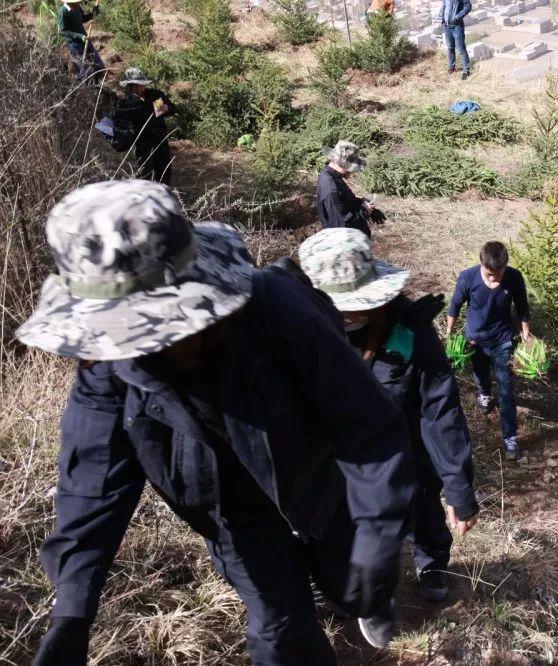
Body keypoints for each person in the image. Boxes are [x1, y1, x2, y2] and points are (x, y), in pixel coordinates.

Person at [16, 180, 415, 665]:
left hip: (319, 486)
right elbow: (93, 477)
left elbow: (366, 422)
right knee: (280, 629)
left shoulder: (275, 305)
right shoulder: (109, 361)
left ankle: (362, 600)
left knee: (353, 583)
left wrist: (378, 531)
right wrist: (73, 613)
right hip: (231, 517)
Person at [298, 228, 479, 645]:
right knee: (344, 523)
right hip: (337, 456)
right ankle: (361, 589)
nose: (351, 317)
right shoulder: (302, 329)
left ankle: (432, 562)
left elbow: (440, 409)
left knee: (421, 504)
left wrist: (458, 486)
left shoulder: (409, 331)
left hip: (405, 448)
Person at [446, 241, 531, 461]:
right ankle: (484, 393)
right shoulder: (468, 277)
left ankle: (510, 438)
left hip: (503, 340)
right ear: (481, 264)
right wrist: (449, 332)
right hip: (476, 340)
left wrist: (525, 332)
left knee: (506, 390)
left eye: (498, 273)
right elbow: (455, 304)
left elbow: (522, 305)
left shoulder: (514, 277)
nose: (494, 278)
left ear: (505, 266)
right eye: (489, 274)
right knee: (481, 373)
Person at [113, 67, 176, 185]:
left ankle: (164, 193)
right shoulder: (127, 102)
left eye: (141, 84)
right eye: (135, 85)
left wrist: (162, 109)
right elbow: (121, 121)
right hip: (143, 141)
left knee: (164, 168)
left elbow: (171, 109)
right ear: (130, 85)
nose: (139, 88)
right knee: (145, 170)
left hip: (160, 138)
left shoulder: (154, 95)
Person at [316, 141, 386, 238]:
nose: (352, 172)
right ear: (343, 164)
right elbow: (340, 226)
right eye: (351, 167)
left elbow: (344, 203)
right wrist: (364, 211)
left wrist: (361, 203)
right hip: (346, 246)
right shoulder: (330, 186)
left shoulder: (334, 177)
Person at [57, 0, 106, 82]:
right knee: (85, 69)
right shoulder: (62, 12)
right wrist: (79, 36)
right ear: (69, 3)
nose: (78, 4)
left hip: (85, 40)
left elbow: (82, 19)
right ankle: (82, 89)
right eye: (76, 2)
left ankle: (96, 86)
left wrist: (93, 14)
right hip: (74, 44)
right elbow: (62, 31)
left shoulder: (77, 7)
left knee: (99, 66)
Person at [439, 0, 472, 80]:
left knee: (461, 49)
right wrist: (441, 15)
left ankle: (466, 70)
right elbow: (444, 6)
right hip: (446, 26)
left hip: (457, 26)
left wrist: (457, 17)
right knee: (450, 47)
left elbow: (468, 6)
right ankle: (451, 67)